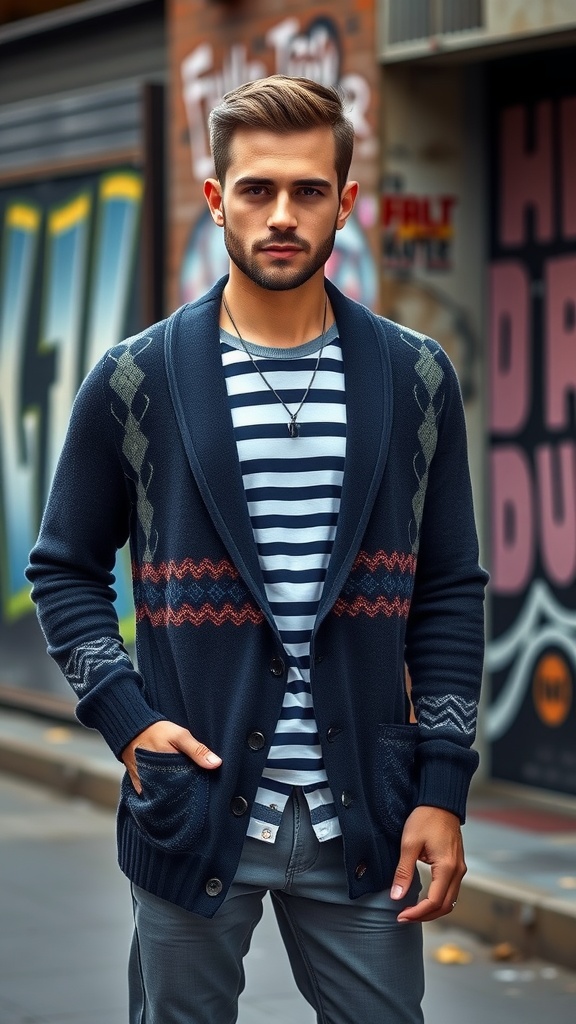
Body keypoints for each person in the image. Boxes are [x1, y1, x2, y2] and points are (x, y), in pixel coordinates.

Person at [27, 75, 489, 1024]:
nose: (282, 215)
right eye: (257, 190)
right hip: (192, 812)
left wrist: (443, 787)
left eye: (308, 191)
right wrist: (127, 721)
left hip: (368, 813)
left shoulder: (415, 379)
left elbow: (448, 591)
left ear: (345, 203)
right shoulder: (137, 378)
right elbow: (63, 567)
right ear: (216, 198)